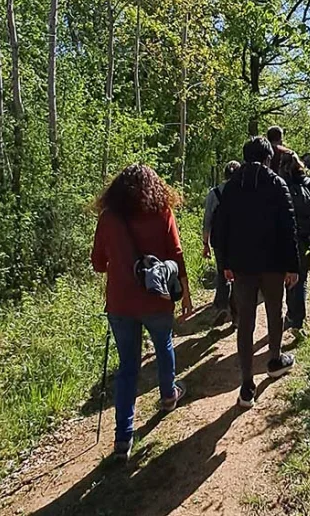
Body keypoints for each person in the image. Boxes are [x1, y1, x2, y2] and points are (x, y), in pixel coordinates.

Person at [91, 164, 193, 460]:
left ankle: (123, 438)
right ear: (154, 186)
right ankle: (168, 395)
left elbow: (98, 263)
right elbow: (176, 253)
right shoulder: (161, 210)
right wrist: (185, 293)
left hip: (121, 303)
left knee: (128, 367)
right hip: (157, 298)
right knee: (164, 344)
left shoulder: (108, 218)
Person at [217, 137, 300, 409]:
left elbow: (222, 228)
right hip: (273, 264)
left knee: (246, 322)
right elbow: (289, 227)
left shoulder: (232, 187)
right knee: (274, 312)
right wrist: (293, 266)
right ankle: (274, 360)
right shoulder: (277, 184)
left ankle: (246, 385)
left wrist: (225, 263)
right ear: (268, 158)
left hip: (242, 266)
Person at [279, 151, 310, 335]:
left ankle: (292, 314)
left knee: (287, 278)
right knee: (302, 279)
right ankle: (297, 319)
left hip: (285, 241)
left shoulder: (281, 186)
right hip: (306, 239)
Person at [203, 160, 241, 326]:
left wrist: (205, 243)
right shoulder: (245, 193)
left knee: (222, 272)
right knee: (239, 275)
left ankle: (222, 306)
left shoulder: (214, 193)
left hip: (219, 241)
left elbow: (207, 221)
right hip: (239, 241)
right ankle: (236, 315)